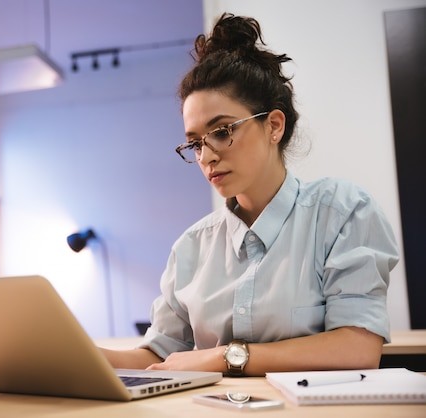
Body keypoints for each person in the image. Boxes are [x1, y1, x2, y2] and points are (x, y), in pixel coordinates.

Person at [100, 13, 399, 376]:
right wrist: (77, 352)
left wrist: (224, 356)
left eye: (222, 131)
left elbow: (356, 348)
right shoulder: (192, 246)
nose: (206, 156)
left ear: (273, 125)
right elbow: (159, 356)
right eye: (194, 143)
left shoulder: (344, 213)